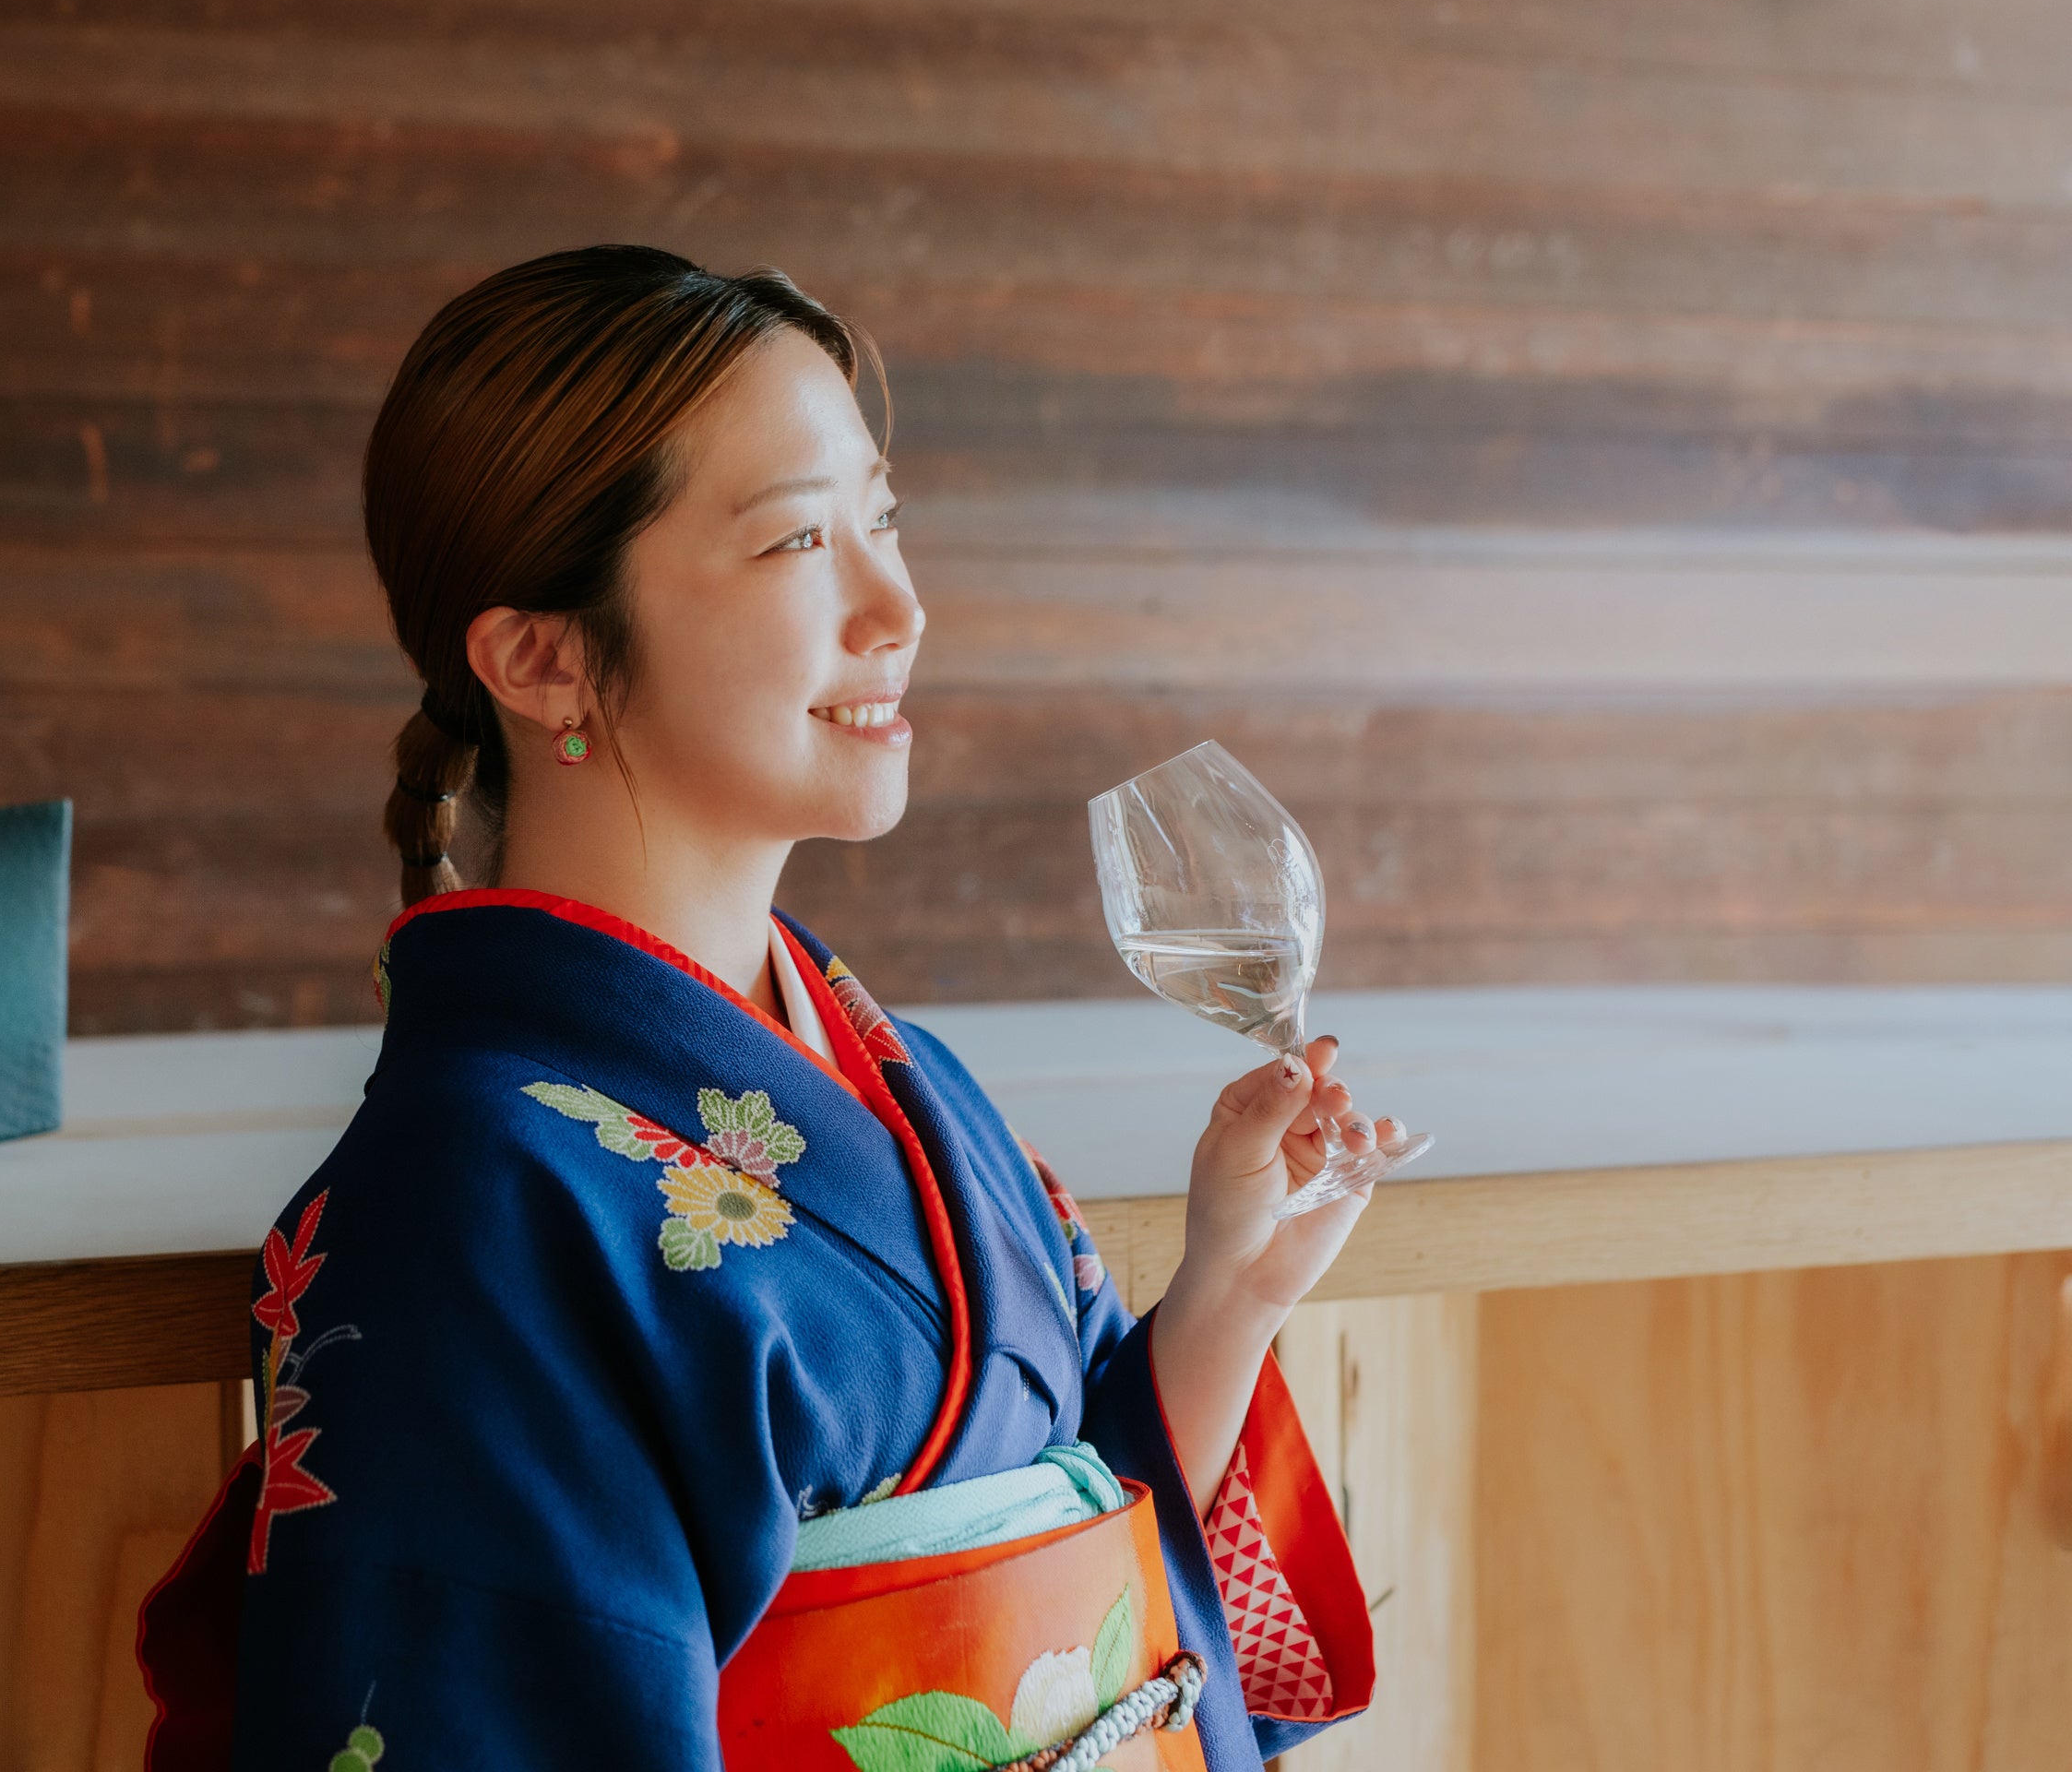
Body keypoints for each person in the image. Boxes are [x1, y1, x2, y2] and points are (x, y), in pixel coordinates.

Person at [139, 246, 1400, 1771]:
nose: (898, 606)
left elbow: (1107, 1570)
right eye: (800, 540)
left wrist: (1229, 1298)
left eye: (883, 519)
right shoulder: (472, 1200)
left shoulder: (905, 1079)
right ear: (543, 657)